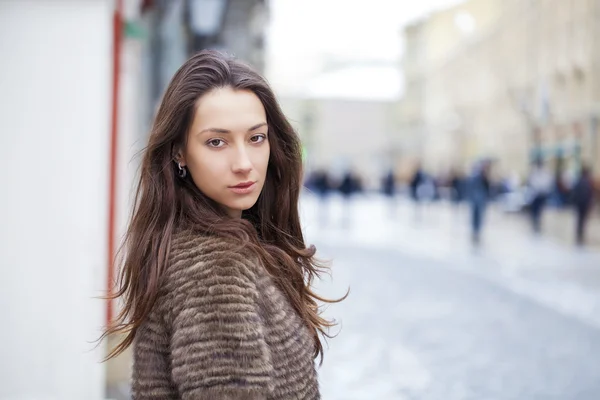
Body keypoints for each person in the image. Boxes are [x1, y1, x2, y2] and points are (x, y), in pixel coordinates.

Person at [101, 50, 343, 399]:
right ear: (179, 152)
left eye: (256, 138)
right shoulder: (216, 273)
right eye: (217, 142)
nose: (244, 163)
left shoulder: (209, 246)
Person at [467, 160, 492, 244]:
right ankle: (475, 231)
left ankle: (476, 231)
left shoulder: (484, 176)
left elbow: (488, 188)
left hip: (480, 199)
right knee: (476, 216)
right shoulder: (477, 175)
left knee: (478, 216)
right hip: (477, 199)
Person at [527, 158, 553, 233]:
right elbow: (532, 183)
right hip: (536, 195)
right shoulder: (535, 173)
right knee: (535, 210)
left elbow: (547, 184)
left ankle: (537, 221)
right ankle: (535, 221)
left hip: (541, 194)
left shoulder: (545, 173)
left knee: (539, 210)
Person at [571, 165, 594, 245]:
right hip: (584, 204)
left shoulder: (579, 181)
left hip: (580, 204)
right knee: (582, 220)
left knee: (580, 219)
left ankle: (579, 234)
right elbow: (590, 195)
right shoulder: (588, 182)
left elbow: (574, 193)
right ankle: (580, 234)